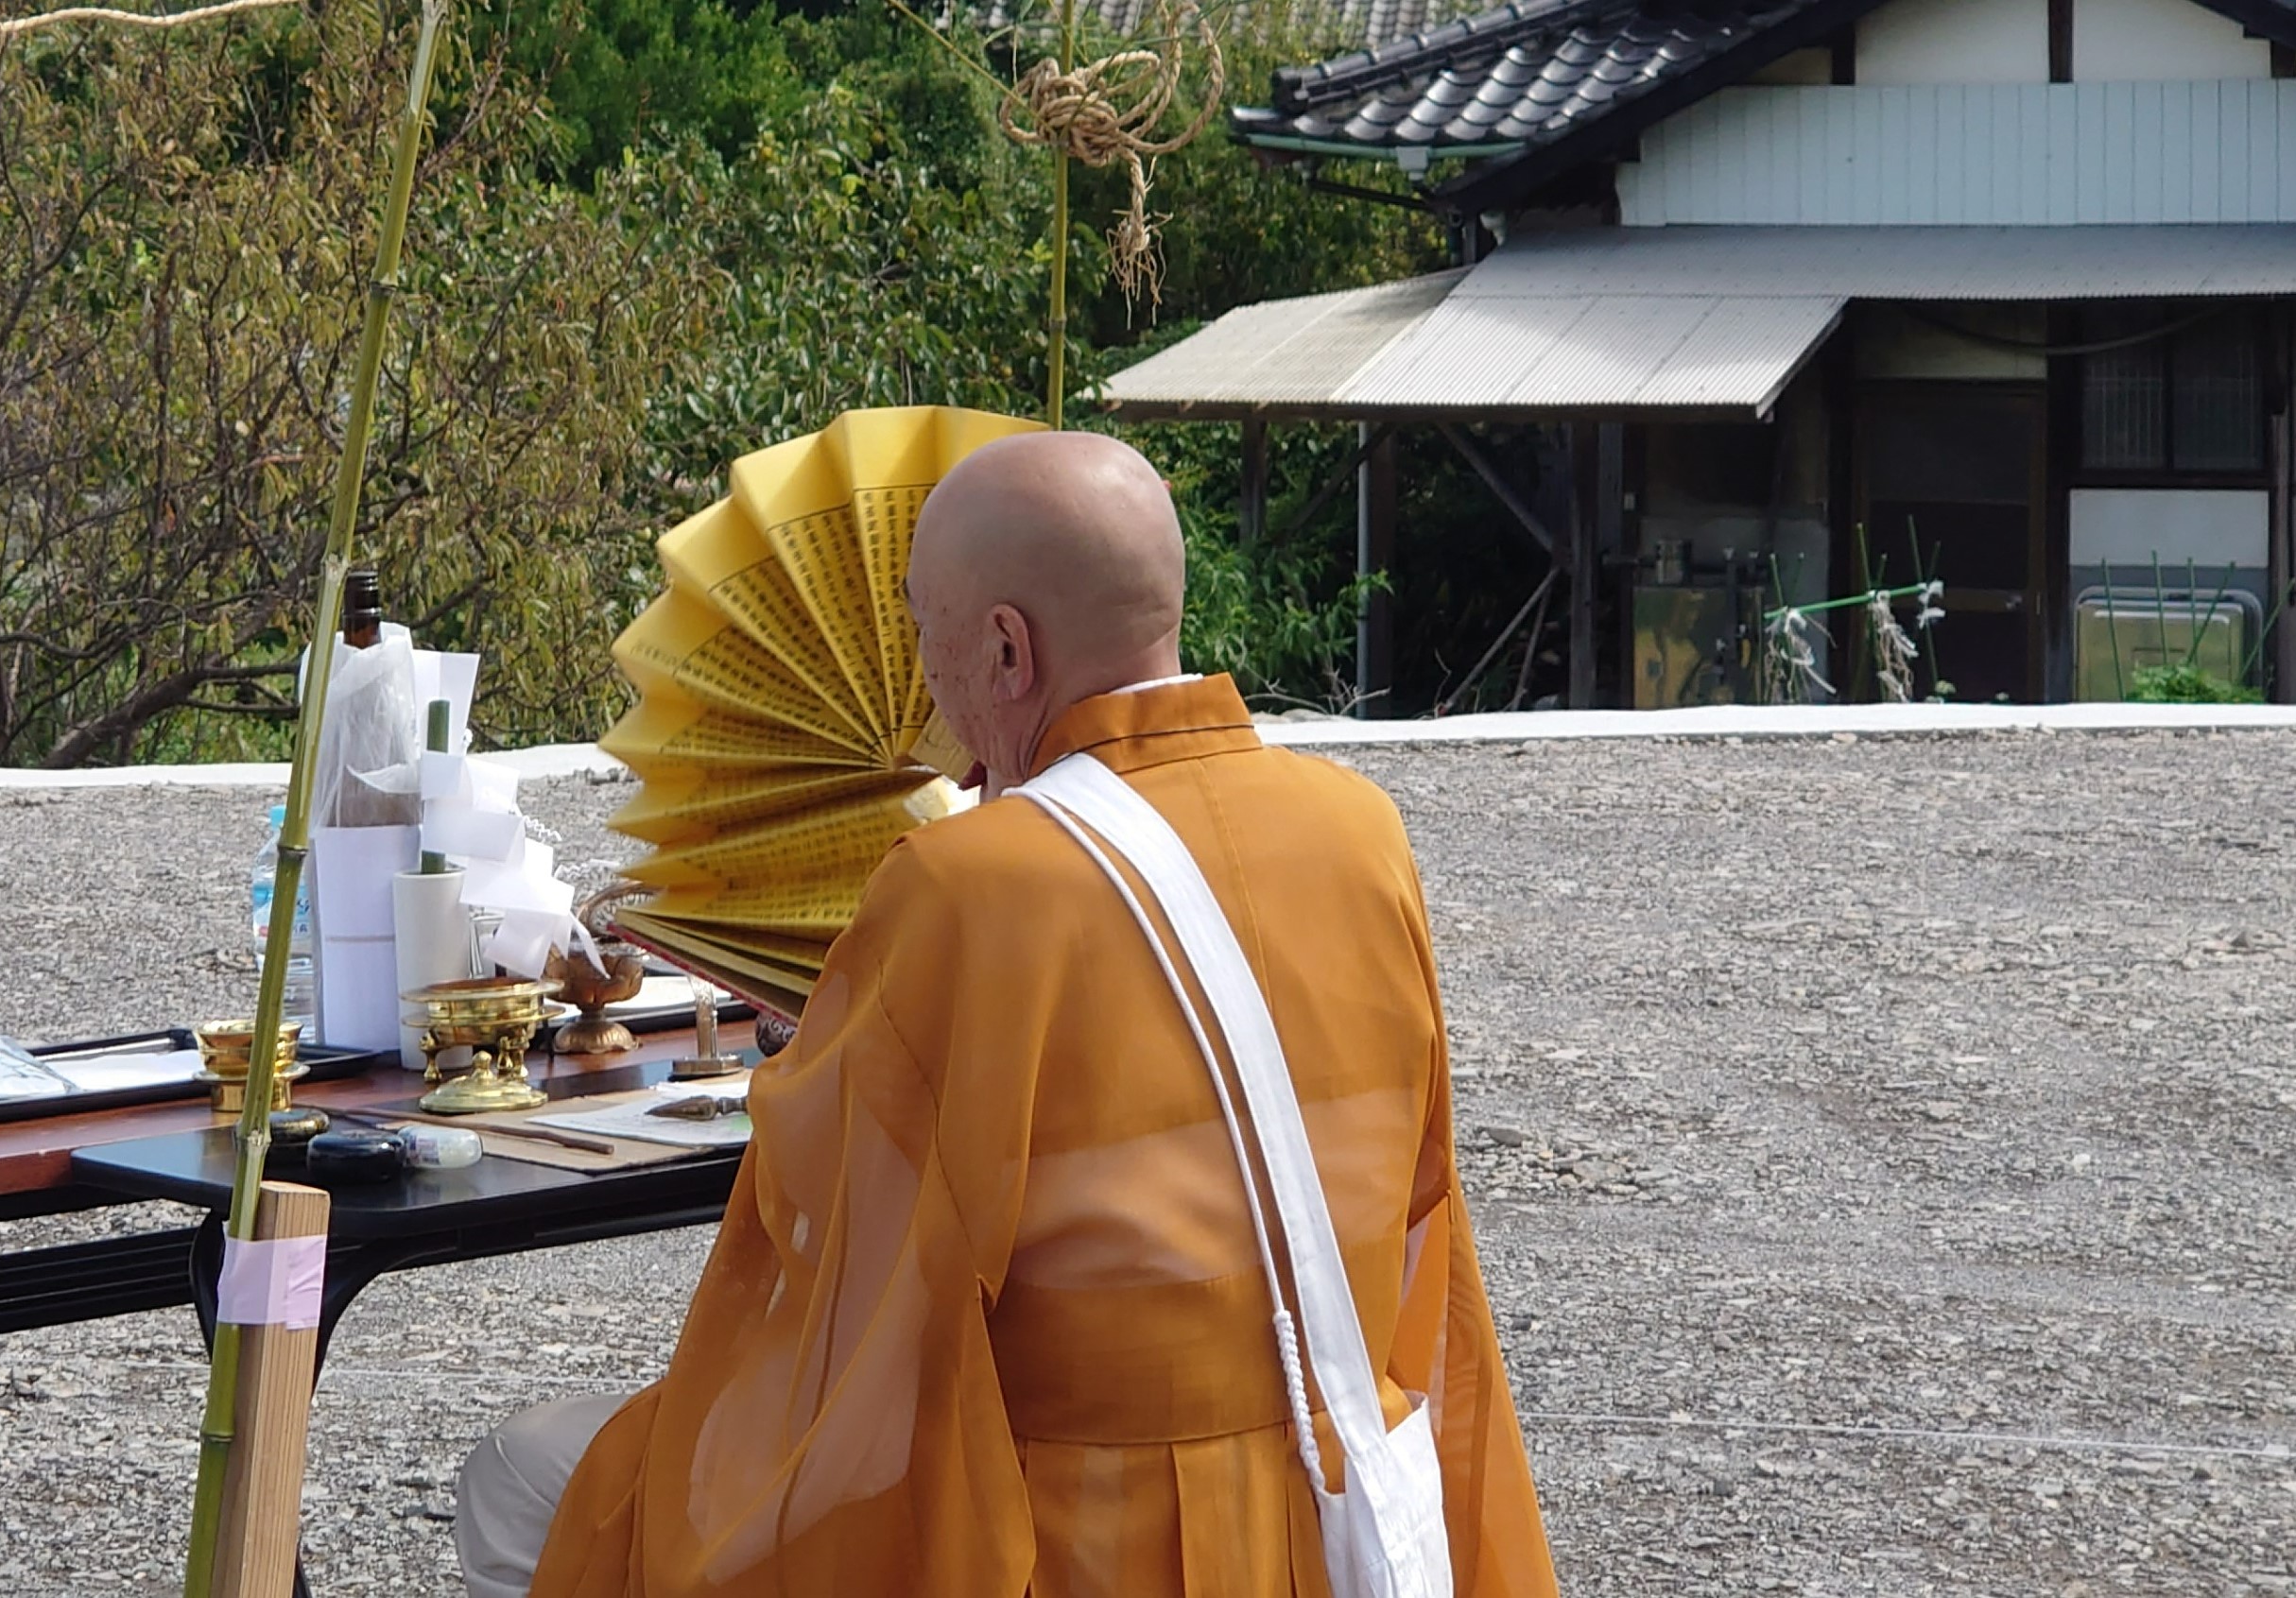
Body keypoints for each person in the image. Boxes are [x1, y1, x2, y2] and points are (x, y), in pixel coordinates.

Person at [457, 431, 1558, 1598]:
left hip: (1078, 1527)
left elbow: (837, 1260)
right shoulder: (1360, 829)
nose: (932, 700)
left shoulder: (967, 885)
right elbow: (1408, 1198)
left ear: (1003, 646)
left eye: (931, 647)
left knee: (524, 1482)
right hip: (1343, 1490)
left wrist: (840, 1025)